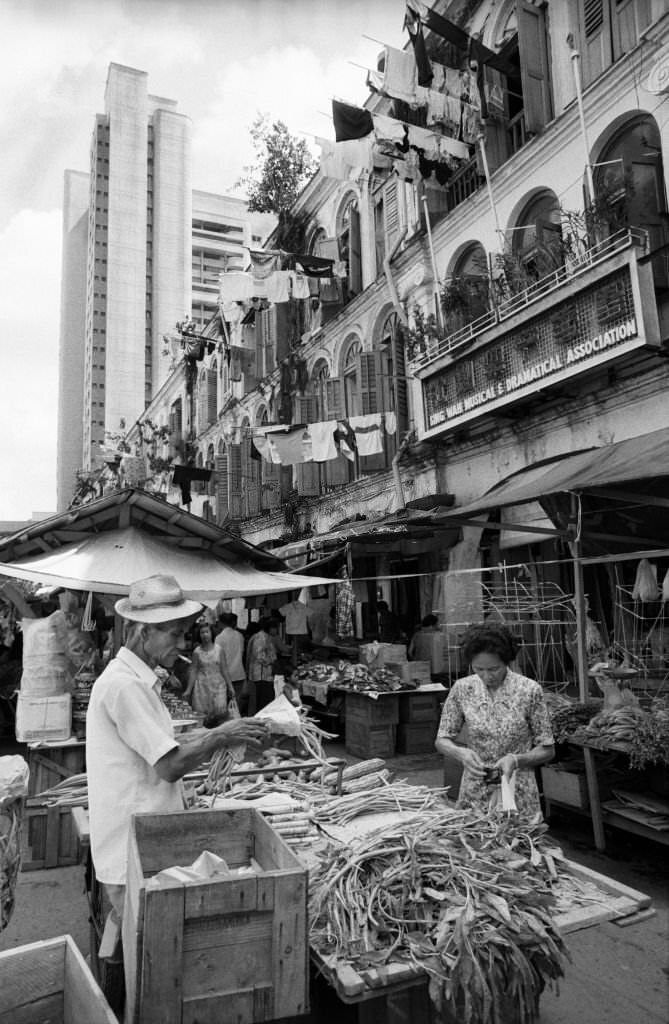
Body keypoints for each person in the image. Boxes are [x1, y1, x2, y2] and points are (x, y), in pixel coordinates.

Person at [86, 575, 269, 929]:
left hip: (143, 843)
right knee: (147, 960)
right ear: (142, 633)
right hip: (132, 852)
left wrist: (220, 731)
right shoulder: (124, 686)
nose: (182, 643)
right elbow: (169, 766)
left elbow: (164, 745)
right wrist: (220, 736)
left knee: (145, 953)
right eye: (173, 634)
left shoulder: (136, 680)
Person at [435, 622, 554, 820]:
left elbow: (548, 749)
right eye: (479, 669)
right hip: (475, 789)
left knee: (519, 843)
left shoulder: (529, 690)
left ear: (507, 661)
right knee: (473, 843)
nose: (487, 676)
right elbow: (442, 740)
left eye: (494, 669)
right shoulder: (463, 689)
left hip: (517, 789)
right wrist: (460, 753)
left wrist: (516, 760)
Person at [183, 621, 234, 724]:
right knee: (202, 718)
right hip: (201, 688)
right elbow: (193, 670)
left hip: (218, 687)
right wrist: (188, 690)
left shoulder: (219, 650)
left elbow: (224, 669)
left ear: (212, 633)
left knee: (220, 716)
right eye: (202, 632)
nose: (205, 635)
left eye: (207, 632)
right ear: (199, 635)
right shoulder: (197, 652)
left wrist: (230, 686)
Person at [214, 612, 248, 714]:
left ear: (221, 623)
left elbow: (217, 659)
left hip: (224, 676)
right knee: (235, 706)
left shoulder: (219, 638)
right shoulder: (240, 636)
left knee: (223, 705)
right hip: (238, 674)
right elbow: (242, 653)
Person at [245, 617, 278, 713]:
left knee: (262, 702)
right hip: (261, 676)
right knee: (261, 703)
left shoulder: (265, 637)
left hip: (263, 676)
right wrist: (271, 660)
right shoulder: (261, 638)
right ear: (270, 628)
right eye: (275, 627)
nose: (276, 630)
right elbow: (259, 656)